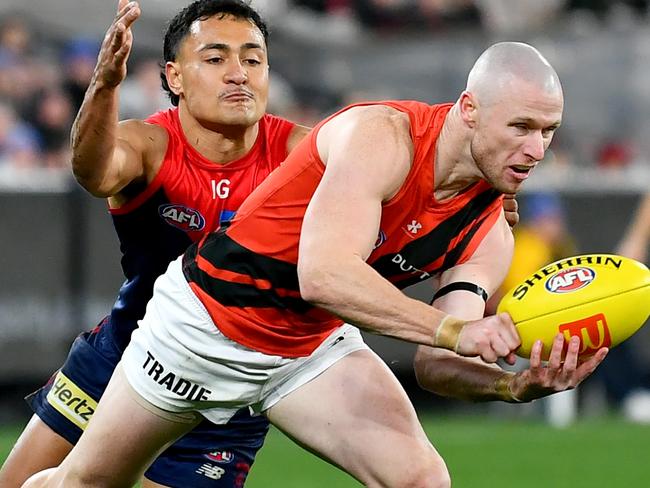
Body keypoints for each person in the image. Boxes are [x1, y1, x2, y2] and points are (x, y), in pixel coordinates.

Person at [24, 42, 608, 488]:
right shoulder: (382, 135)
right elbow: (324, 274)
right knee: (87, 482)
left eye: (549, 131)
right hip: (204, 324)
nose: (537, 150)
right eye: (522, 127)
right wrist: (458, 329)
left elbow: (434, 363)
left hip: (309, 349)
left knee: (422, 479)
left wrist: (510, 384)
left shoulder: (489, 233)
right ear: (470, 109)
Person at [0, 1, 310, 487]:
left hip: (227, 390)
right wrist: (103, 85)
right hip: (123, 355)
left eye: (253, 59)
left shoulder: (303, 156)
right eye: (216, 58)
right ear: (176, 76)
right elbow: (94, 171)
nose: (238, 74)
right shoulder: (150, 145)